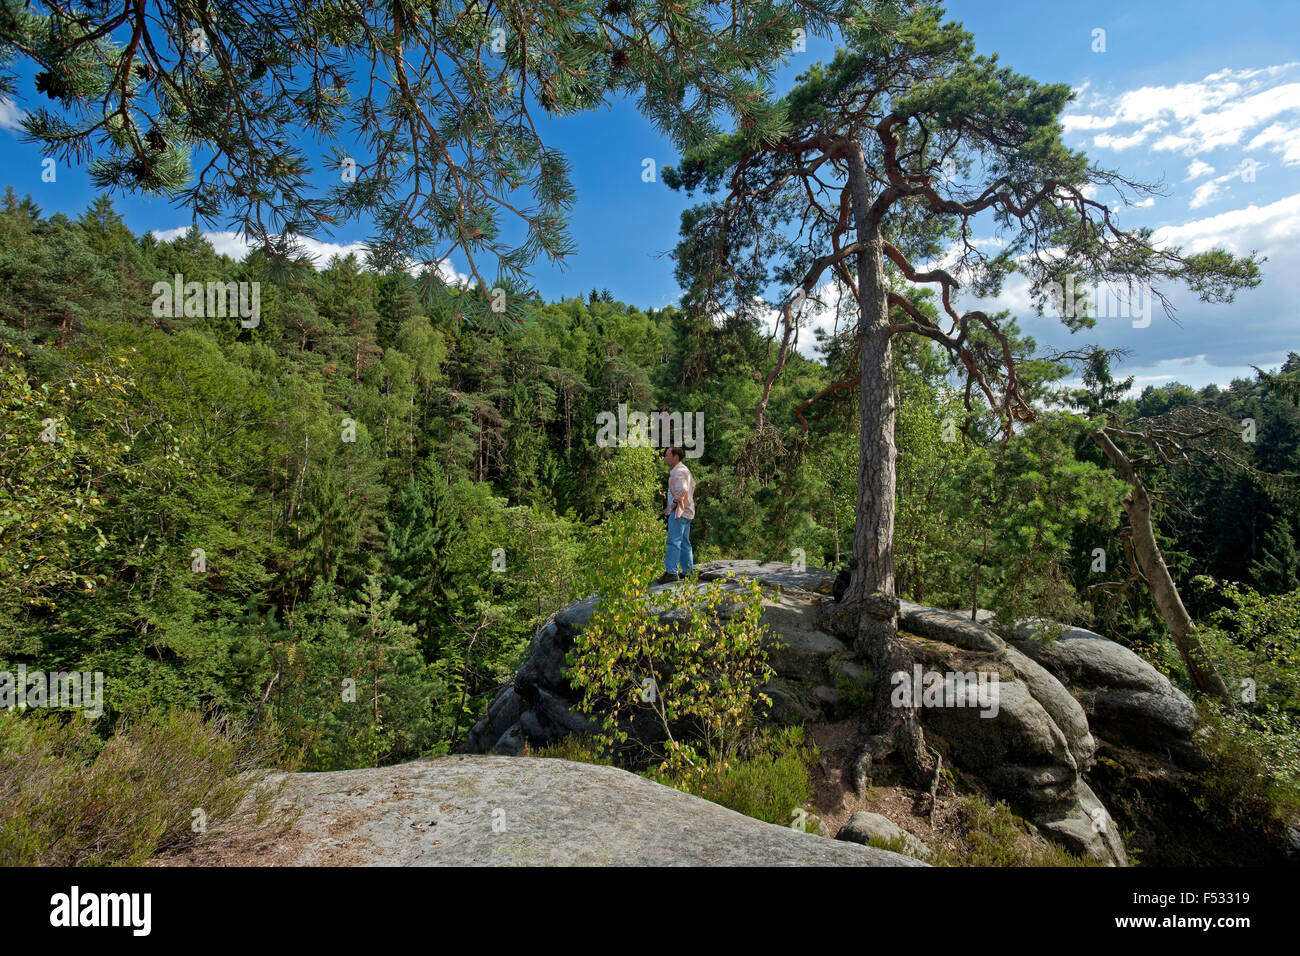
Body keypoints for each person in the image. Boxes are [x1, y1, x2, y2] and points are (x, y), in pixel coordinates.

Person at [654, 446, 695, 585]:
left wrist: (675, 504)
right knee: (684, 542)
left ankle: (671, 572)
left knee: (673, 542)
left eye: (667, 455)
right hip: (687, 511)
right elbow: (692, 486)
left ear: (675, 457)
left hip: (679, 512)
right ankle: (688, 572)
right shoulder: (685, 470)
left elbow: (683, 489)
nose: (665, 458)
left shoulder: (678, 471)